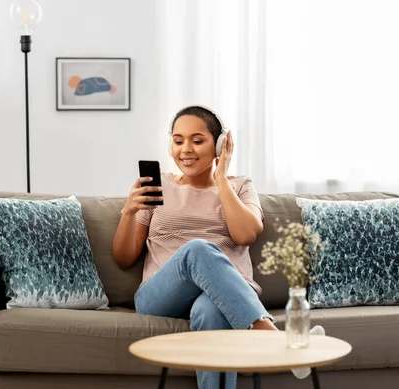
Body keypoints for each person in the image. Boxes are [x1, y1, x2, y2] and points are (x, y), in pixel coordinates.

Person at [112, 106, 323, 389]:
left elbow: (245, 234)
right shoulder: (158, 185)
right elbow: (124, 258)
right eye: (178, 140)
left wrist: (221, 179)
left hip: (224, 294)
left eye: (197, 140)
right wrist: (129, 211)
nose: (186, 149)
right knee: (197, 249)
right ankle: (272, 337)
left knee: (211, 311)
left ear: (219, 145)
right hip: (161, 295)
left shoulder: (240, 186)